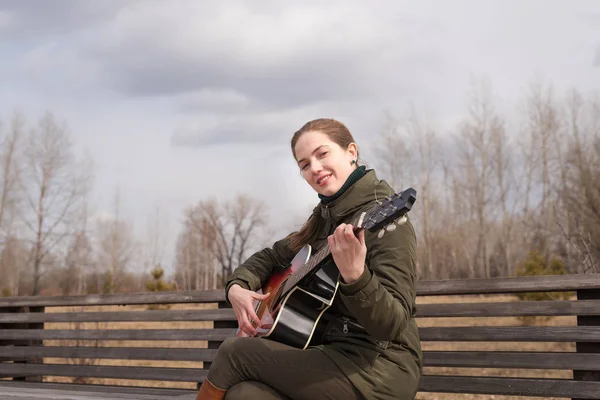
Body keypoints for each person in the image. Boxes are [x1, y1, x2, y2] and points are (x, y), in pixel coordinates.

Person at [196, 118, 422, 400]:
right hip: (326, 357)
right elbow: (269, 257)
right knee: (246, 395)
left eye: (322, 154)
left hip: (379, 368)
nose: (314, 168)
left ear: (351, 152)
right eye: (304, 164)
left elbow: (392, 325)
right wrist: (237, 287)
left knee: (234, 353)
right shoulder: (322, 220)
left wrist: (356, 278)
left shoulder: (385, 223)